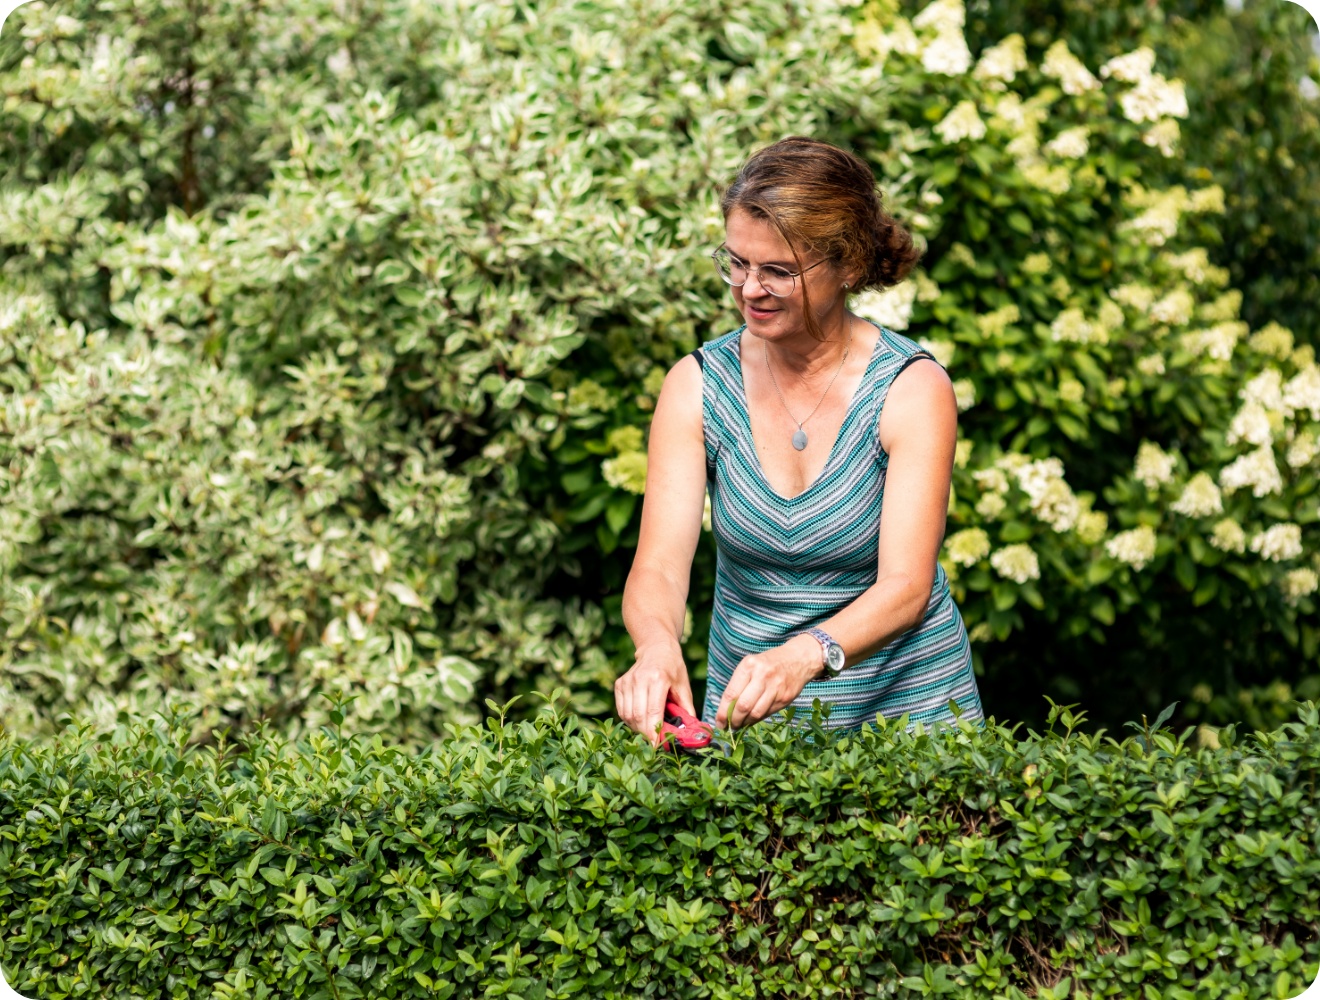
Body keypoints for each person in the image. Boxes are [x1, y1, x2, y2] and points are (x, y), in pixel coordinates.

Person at [614, 135, 985, 746]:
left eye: (778, 271)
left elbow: (906, 588)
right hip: (754, 726)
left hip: (910, 724)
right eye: (737, 262)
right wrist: (655, 646)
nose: (748, 288)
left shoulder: (909, 389)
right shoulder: (698, 386)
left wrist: (803, 655)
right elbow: (658, 566)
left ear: (848, 265)